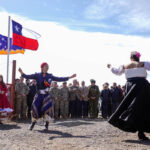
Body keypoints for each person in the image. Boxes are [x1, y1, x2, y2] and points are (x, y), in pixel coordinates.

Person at [18, 62, 76, 130]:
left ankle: (46, 125)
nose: (47, 67)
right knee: (35, 108)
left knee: (48, 109)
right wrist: (21, 72)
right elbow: (28, 76)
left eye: (48, 66)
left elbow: (59, 78)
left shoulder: (50, 76)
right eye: (46, 66)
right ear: (42, 67)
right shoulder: (37, 75)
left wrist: (70, 77)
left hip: (47, 95)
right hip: (39, 95)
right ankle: (33, 123)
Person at [107, 51, 150, 140]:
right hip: (142, 86)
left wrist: (110, 67)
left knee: (131, 109)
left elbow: (116, 72)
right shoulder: (144, 63)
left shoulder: (124, 65)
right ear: (138, 58)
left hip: (130, 87)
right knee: (143, 109)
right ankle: (141, 133)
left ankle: (137, 130)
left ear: (131, 58)